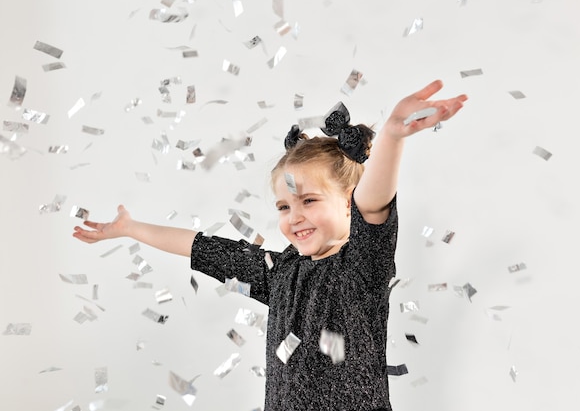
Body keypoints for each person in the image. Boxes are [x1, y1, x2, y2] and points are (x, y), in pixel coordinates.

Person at [73, 79, 467, 411]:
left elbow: (374, 202)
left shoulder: (362, 266)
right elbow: (200, 247)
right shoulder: (280, 273)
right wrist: (130, 228)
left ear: (348, 202)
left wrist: (394, 136)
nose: (293, 216)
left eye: (309, 201)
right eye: (284, 205)